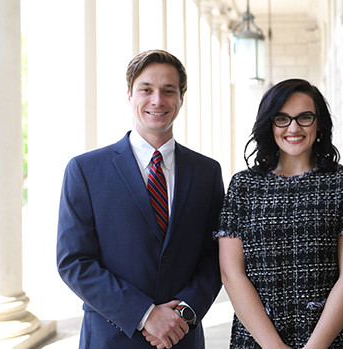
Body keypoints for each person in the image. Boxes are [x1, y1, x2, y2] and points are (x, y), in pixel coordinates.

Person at [57, 49, 224, 349]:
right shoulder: (85, 170)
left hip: (181, 338)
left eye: (168, 91)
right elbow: (74, 261)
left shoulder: (207, 173)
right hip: (110, 339)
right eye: (146, 90)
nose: (157, 100)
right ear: (130, 95)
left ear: (181, 98)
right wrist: (145, 314)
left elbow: (215, 257)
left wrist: (184, 313)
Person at [216, 78, 343, 348]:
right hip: (257, 339)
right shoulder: (243, 185)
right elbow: (232, 274)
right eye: (282, 119)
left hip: (334, 338)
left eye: (304, 117)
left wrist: (315, 346)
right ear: (270, 124)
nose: (294, 128)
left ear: (319, 122)